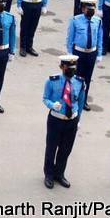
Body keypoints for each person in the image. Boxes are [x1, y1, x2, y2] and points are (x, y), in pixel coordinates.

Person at [41, 55, 85, 189]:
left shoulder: (79, 82)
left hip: (71, 120)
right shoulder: (52, 81)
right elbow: (45, 98)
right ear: (61, 67)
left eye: (73, 68)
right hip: (56, 119)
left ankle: (59, 173)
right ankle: (49, 174)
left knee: (66, 149)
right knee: (51, 148)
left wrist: (79, 119)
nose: (71, 71)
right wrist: (52, 105)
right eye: (68, 68)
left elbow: (81, 101)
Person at [66, 0, 103, 108]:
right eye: (88, 9)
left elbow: (99, 37)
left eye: (92, 9)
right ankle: (73, 99)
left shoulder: (97, 21)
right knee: (76, 77)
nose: (91, 11)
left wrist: (99, 53)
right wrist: (69, 52)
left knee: (87, 78)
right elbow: (70, 37)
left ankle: (83, 100)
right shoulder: (75, 20)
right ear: (83, 9)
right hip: (79, 53)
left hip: (91, 53)